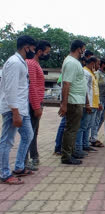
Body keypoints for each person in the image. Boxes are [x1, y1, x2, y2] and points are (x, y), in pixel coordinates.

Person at [0, 35, 37, 184]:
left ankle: (19, 167)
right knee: (7, 140)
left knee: (28, 134)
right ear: (26, 47)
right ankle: (4, 173)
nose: (33, 52)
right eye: (33, 49)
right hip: (12, 108)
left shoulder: (22, 62)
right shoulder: (15, 63)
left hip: (21, 108)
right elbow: (10, 89)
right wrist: (15, 112)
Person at [58, 40, 87, 165]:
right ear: (78, 49)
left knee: (73, 129)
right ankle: (66, 156)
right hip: (73, 101)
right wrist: (64, 104)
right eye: (83, 49)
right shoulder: (71, 62)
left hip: (76, 100)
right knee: (71, 129)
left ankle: (71, 151)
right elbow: (66, 83)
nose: (84, 52)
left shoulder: (74, 62)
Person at [25, 40, 51, 171]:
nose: (47, 55)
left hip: (36, 102)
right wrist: (36, 106)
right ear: (39, 51)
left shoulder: (36, 64)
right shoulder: (31, 64)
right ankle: (25, 160)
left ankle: (34, 157)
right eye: (47, 52)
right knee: (29, 133)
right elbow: (32, 86)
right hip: (33, 104)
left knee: (33, 132)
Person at [74, 56, 102, 158]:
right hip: (88, 104)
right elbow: (84, 89)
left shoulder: (92, 74)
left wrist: (98, 103)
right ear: (93, 63)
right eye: (98, 64)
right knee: (82, 127)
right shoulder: (85, 72)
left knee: (88, 126)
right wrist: (87, 104)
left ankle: (85, 145)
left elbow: (94, 89)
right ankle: (78, 148)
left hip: (93, 104)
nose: (99, 66)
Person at [91, 58, 105, 144]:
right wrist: (98, 101)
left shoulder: (103, 74)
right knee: (97, 119)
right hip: (99, 99)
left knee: (101, 118)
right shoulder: (97, 74)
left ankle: (93, 136)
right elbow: (95, 88)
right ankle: (93, 138)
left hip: (104, 99)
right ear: (103, 65)